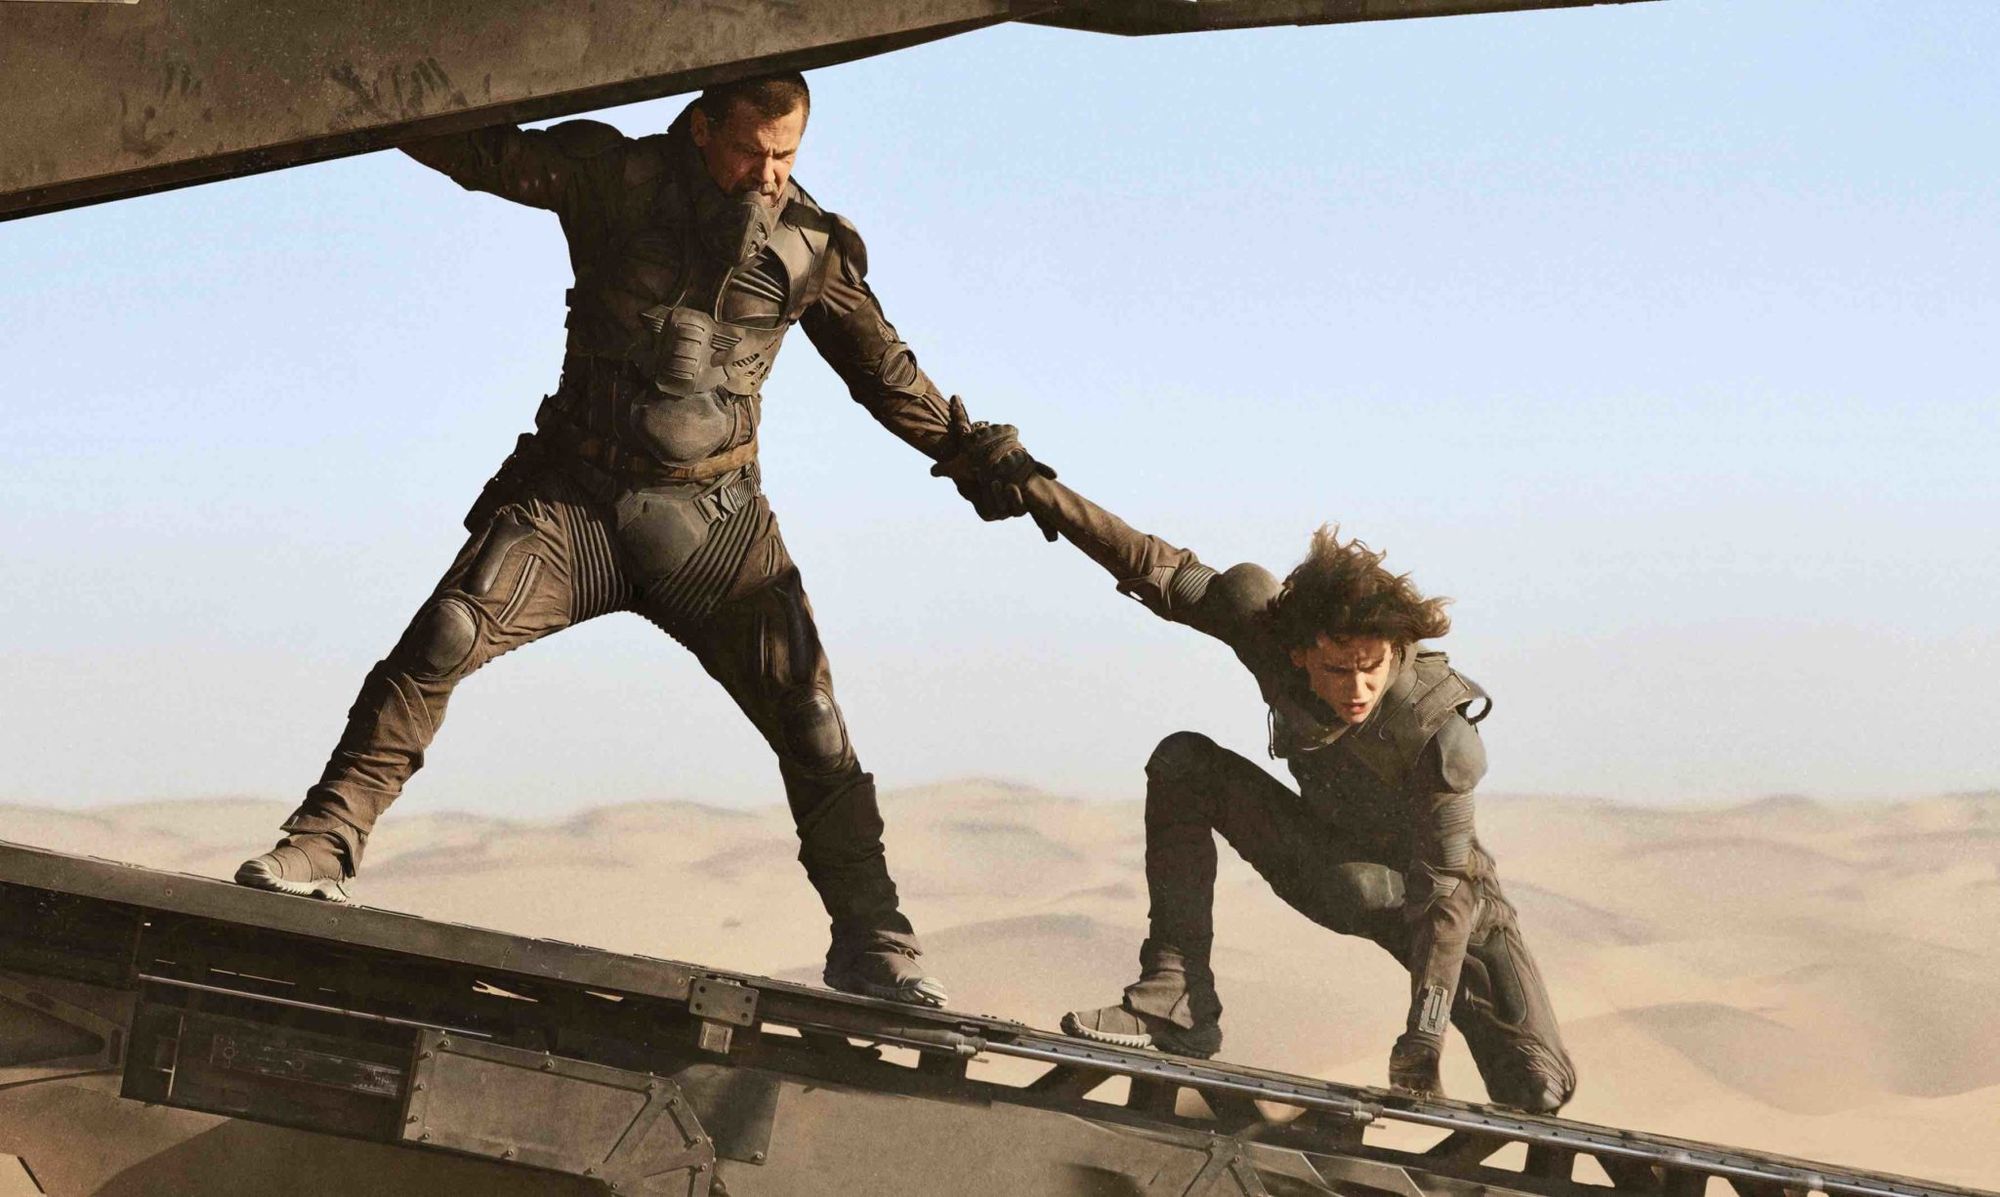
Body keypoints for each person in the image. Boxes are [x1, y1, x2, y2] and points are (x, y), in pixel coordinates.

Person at [234, 73, 1033, 1009]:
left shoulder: (810, 244)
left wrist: (969, 452)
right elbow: (481, 151)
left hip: (716, 528)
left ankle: (874, 938)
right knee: (448, 632)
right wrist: (362, 80)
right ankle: (326, 839)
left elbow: (883, 371)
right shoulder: (613, 180)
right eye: (750, 152)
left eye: (785, 156)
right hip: (574, 503)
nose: (768, 175)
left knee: (812, 719)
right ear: (700, 128)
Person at [944, 418, 1575, 1109]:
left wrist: (1423, 1036)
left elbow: (1445, 895)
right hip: (1330, 866)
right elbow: (1155, 566)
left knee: (1540, 1086)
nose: (1358, 688)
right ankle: (1175, 996)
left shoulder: (1437, 734)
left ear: (1395, 651)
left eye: (1373, 667)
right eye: (1338, 669)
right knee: (1183, 764)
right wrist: (1037, 487)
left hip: (1443, 908)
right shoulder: (1267, 629)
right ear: (1300, 651)